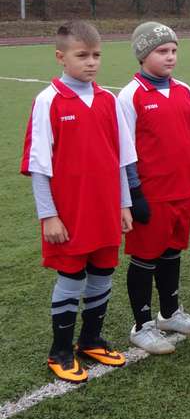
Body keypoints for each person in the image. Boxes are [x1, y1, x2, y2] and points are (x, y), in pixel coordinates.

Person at [21, 21, 136, 383]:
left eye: (96, 55)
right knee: (71, 276)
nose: (91, 63)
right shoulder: (48, 100)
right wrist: (49, 215)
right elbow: (40, 166)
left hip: (105, 209)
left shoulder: (108, 100)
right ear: (61, 57)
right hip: (69, 212)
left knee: (103, 272)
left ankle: (90, 339)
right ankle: (60, 349)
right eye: (82, 55)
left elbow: (119, 159)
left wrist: (124, 204)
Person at [118, 22, 190, 355]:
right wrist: (134, 193)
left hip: (181, 190)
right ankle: (140, 326)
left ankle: (169, 314)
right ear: (143, 55)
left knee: (172, 253)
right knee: (145, 257)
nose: (170, 56)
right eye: (161, 51)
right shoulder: (130, 95)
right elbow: (125, 151)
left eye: (173, 50)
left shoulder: (184, 90)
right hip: (151, 193)